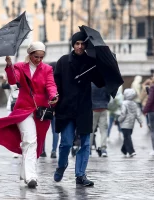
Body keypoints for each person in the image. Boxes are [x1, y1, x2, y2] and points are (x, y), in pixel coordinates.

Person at [0, 41, 58, 188]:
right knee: (30, 140)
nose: (39, 60)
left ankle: (25, 174)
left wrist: (53, 95)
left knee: (33, 143)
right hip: (24, 109)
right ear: (30, 54)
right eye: (36, 56)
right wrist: (9, 65)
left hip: (41, 111)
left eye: (41, 57)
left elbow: (50, 85)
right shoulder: (19, 66)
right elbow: (14, 80)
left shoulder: (47, 69)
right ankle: (32, 176)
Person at [53, 31, 105, 186]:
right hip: (66, 108)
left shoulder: (91, 62)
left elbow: (100, 83)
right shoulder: (63, 61)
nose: (80, 46)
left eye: (83, 44)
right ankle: (62, 166)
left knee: (85, 144)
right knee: (66, 143)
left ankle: (80, 175)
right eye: (77, 43)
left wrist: (99, 68)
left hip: (84, 108)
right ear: (73, 45)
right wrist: (55, 101)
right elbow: (56, 84)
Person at [118, 88, 143, 157]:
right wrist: (140, 122)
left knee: (127, 137)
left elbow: (123, 113)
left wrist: (119, 120)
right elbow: (137, 114)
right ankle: (124, 150)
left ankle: (131, 151)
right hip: (131, 124)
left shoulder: (124, 103)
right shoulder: (135, 104)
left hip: (124, 124)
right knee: (127, 136)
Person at [90, 83, 110, 157]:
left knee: (91, 130)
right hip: (103, 108)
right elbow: (108, 96)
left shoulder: (91, 84)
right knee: (103, 130)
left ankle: (88, 149)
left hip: (93, 109)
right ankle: (103, 149)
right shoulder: (105, 84)